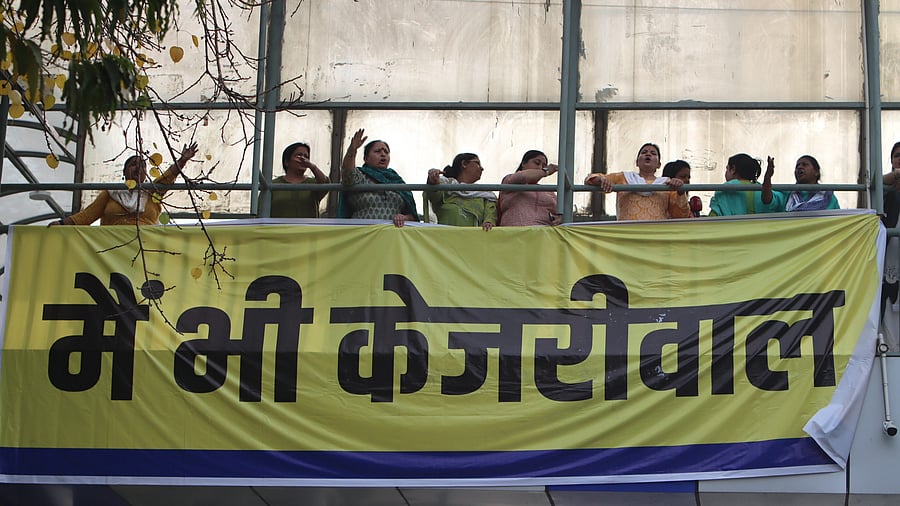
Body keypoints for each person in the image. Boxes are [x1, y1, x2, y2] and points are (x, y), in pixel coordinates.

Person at [53, 142, 199, 225]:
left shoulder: (151, 191)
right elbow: (87, 216)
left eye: (142, 166)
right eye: (133, 165)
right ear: (124, 172)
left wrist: (182, 160)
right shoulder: (111, 193)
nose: (138, 168)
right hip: (112, 253)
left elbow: (167, 179)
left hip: (147, 252)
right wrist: (60, 224)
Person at [583, 143, 690, 220]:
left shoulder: (667, 183)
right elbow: (590, 179)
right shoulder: (623, 177)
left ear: (659, 165)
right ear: (637, 162)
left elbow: (681, 216)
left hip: (656, 238)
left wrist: (680, 191)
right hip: (628, 237)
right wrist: (601, 179)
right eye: (644, 152)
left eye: (653, 153)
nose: (648, 154)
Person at [338, 128, 419, 227]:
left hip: (392, 236)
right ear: (366, 158)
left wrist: (404, 217)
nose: (383, 154)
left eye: (386, 152)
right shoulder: (360, 175)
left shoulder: (396, 181)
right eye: (377, 151)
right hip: (362, 234)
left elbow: (413, 216)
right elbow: (348, 173)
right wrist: (352, 150)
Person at [424, 153, 497, 231]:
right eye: (477, 163)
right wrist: (433, 182)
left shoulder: (486, 194)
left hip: (473, 240)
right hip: (445, 239)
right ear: (464, 164)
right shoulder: (446, 185)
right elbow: (434, 196)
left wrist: (488, 222)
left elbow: (491, 216)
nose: (482, 168)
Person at [708, 153, 785, 216]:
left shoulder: (724, 190)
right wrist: (767, 178)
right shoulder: (762, 190)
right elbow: (773, 203)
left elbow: (713, 218)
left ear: (733, 169)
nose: (725, 173)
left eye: (727, 169)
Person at [497, 150, 560, 226]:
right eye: (537, 163)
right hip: (516, 234)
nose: (540, 167)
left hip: (544, 235)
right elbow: (522, 177)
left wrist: (560, 219)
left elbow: (561, 212)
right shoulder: (509, 180)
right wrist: (546, 171)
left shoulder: (548, 191)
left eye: (544, 166)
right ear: (523, 163)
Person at [270, 142, 329, 218]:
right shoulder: (273, 185)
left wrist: (312, 167)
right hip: (278, 229)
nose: (303, 159)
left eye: (306, 157)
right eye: (299, 156)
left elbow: (325, 184)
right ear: (287, 162)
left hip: (307, 229)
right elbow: (261, 211)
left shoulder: (312, 184)